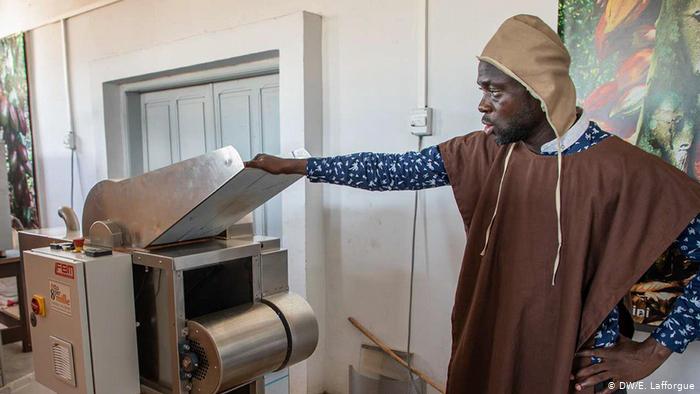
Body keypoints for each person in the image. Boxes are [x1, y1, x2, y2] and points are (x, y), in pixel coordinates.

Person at [246, 15, 700, 394]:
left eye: (495, 91)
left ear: (540, 93)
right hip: (494, 348)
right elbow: (397, 170)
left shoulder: (624, 170)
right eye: (482, 89)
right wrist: (302, 167)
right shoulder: (487, 153)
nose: (482, 105)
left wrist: (653, 353)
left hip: (574, 372)